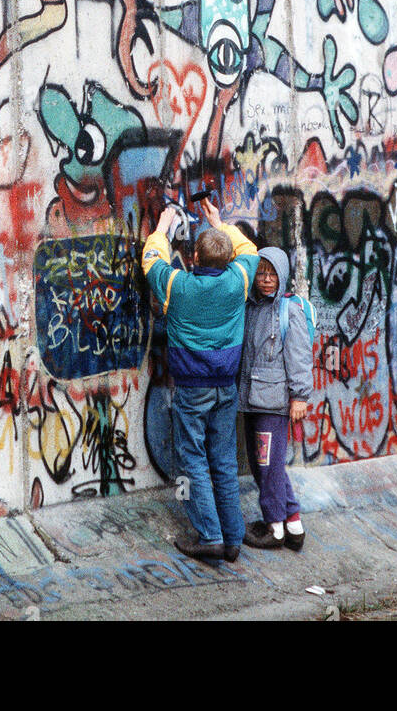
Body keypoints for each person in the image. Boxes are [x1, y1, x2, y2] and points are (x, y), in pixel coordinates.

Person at [142, 200, 259, 563]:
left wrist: (161, 227)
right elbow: (249, 250)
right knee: (223, 459)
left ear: (193, 257)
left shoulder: (178, 285)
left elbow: (151, 261)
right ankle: (233, 537)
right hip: (226, 385)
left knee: (192, 458)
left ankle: (209, 534)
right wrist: (220, 224)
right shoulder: (238, 280)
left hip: (192, 388)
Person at [238, 247, 312, 551]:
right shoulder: (251, 308)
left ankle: (275, 530)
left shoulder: (288, 310)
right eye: (261, 273)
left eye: (272, 274)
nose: (266, 280)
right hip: (252, 401)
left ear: (282, 276)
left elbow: (299, 357)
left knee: (267, 466)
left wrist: (300, 397)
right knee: (265, 466)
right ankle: (293, 525)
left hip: (274, 405)